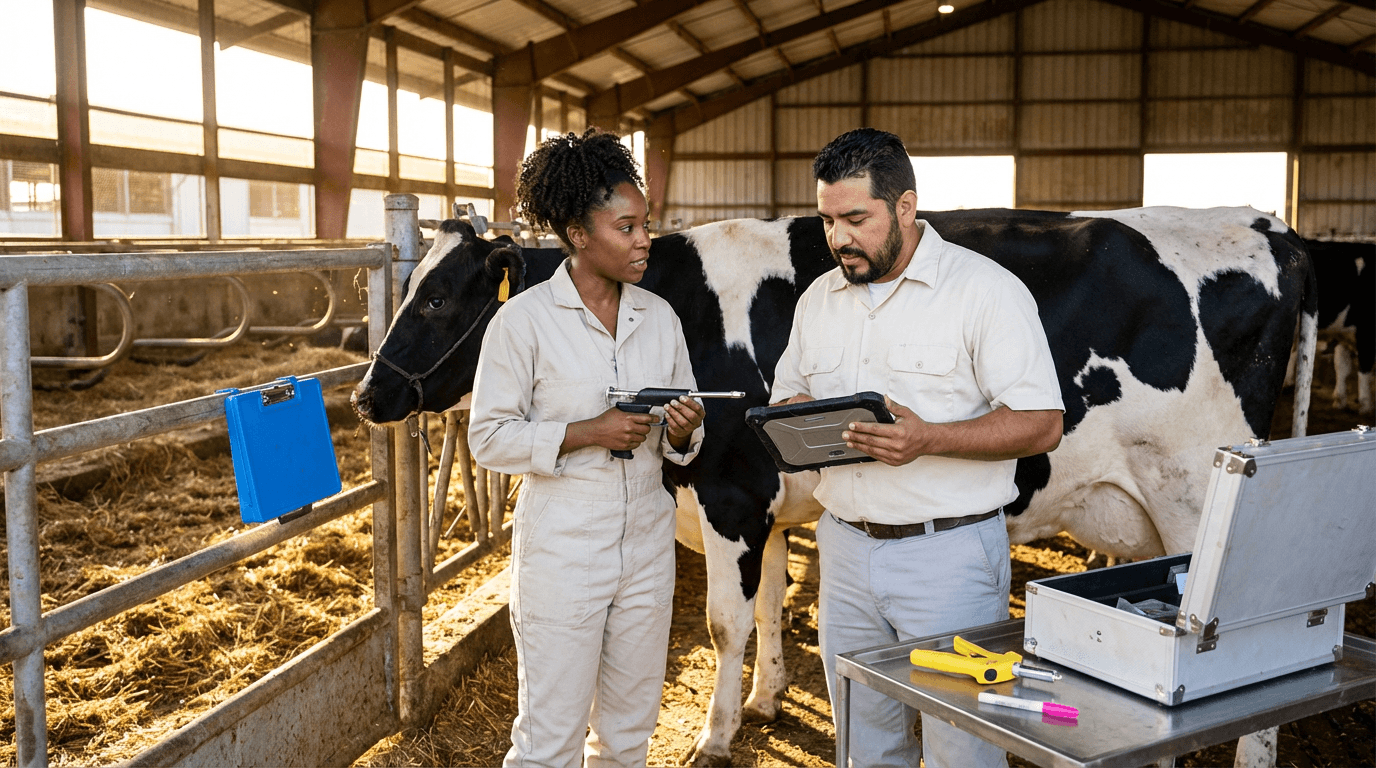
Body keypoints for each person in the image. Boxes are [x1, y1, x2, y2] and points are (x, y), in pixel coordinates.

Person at [770, 128, 1065, 768]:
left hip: (948, 555)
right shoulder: (819, 300)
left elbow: (1042, 423)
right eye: (827, 220)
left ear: (905, 207)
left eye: (856, 219)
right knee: (864, 742)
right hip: (842, 549)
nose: (839, 238)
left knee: (963, 749)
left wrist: (928, 437)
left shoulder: (983, 290)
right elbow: (790, 396)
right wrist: (793, 421)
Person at [468, 128, 706, 768]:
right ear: (578, 233)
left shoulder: (659, 317)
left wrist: (683, 430)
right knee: (550, 740)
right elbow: (487, 437)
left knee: (629, 737)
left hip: (648, 544)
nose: (643, 240)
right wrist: (585, 432)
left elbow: (685, 431)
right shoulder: (523, 321)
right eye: (625, 227)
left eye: (645, 225)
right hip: (564, 547)